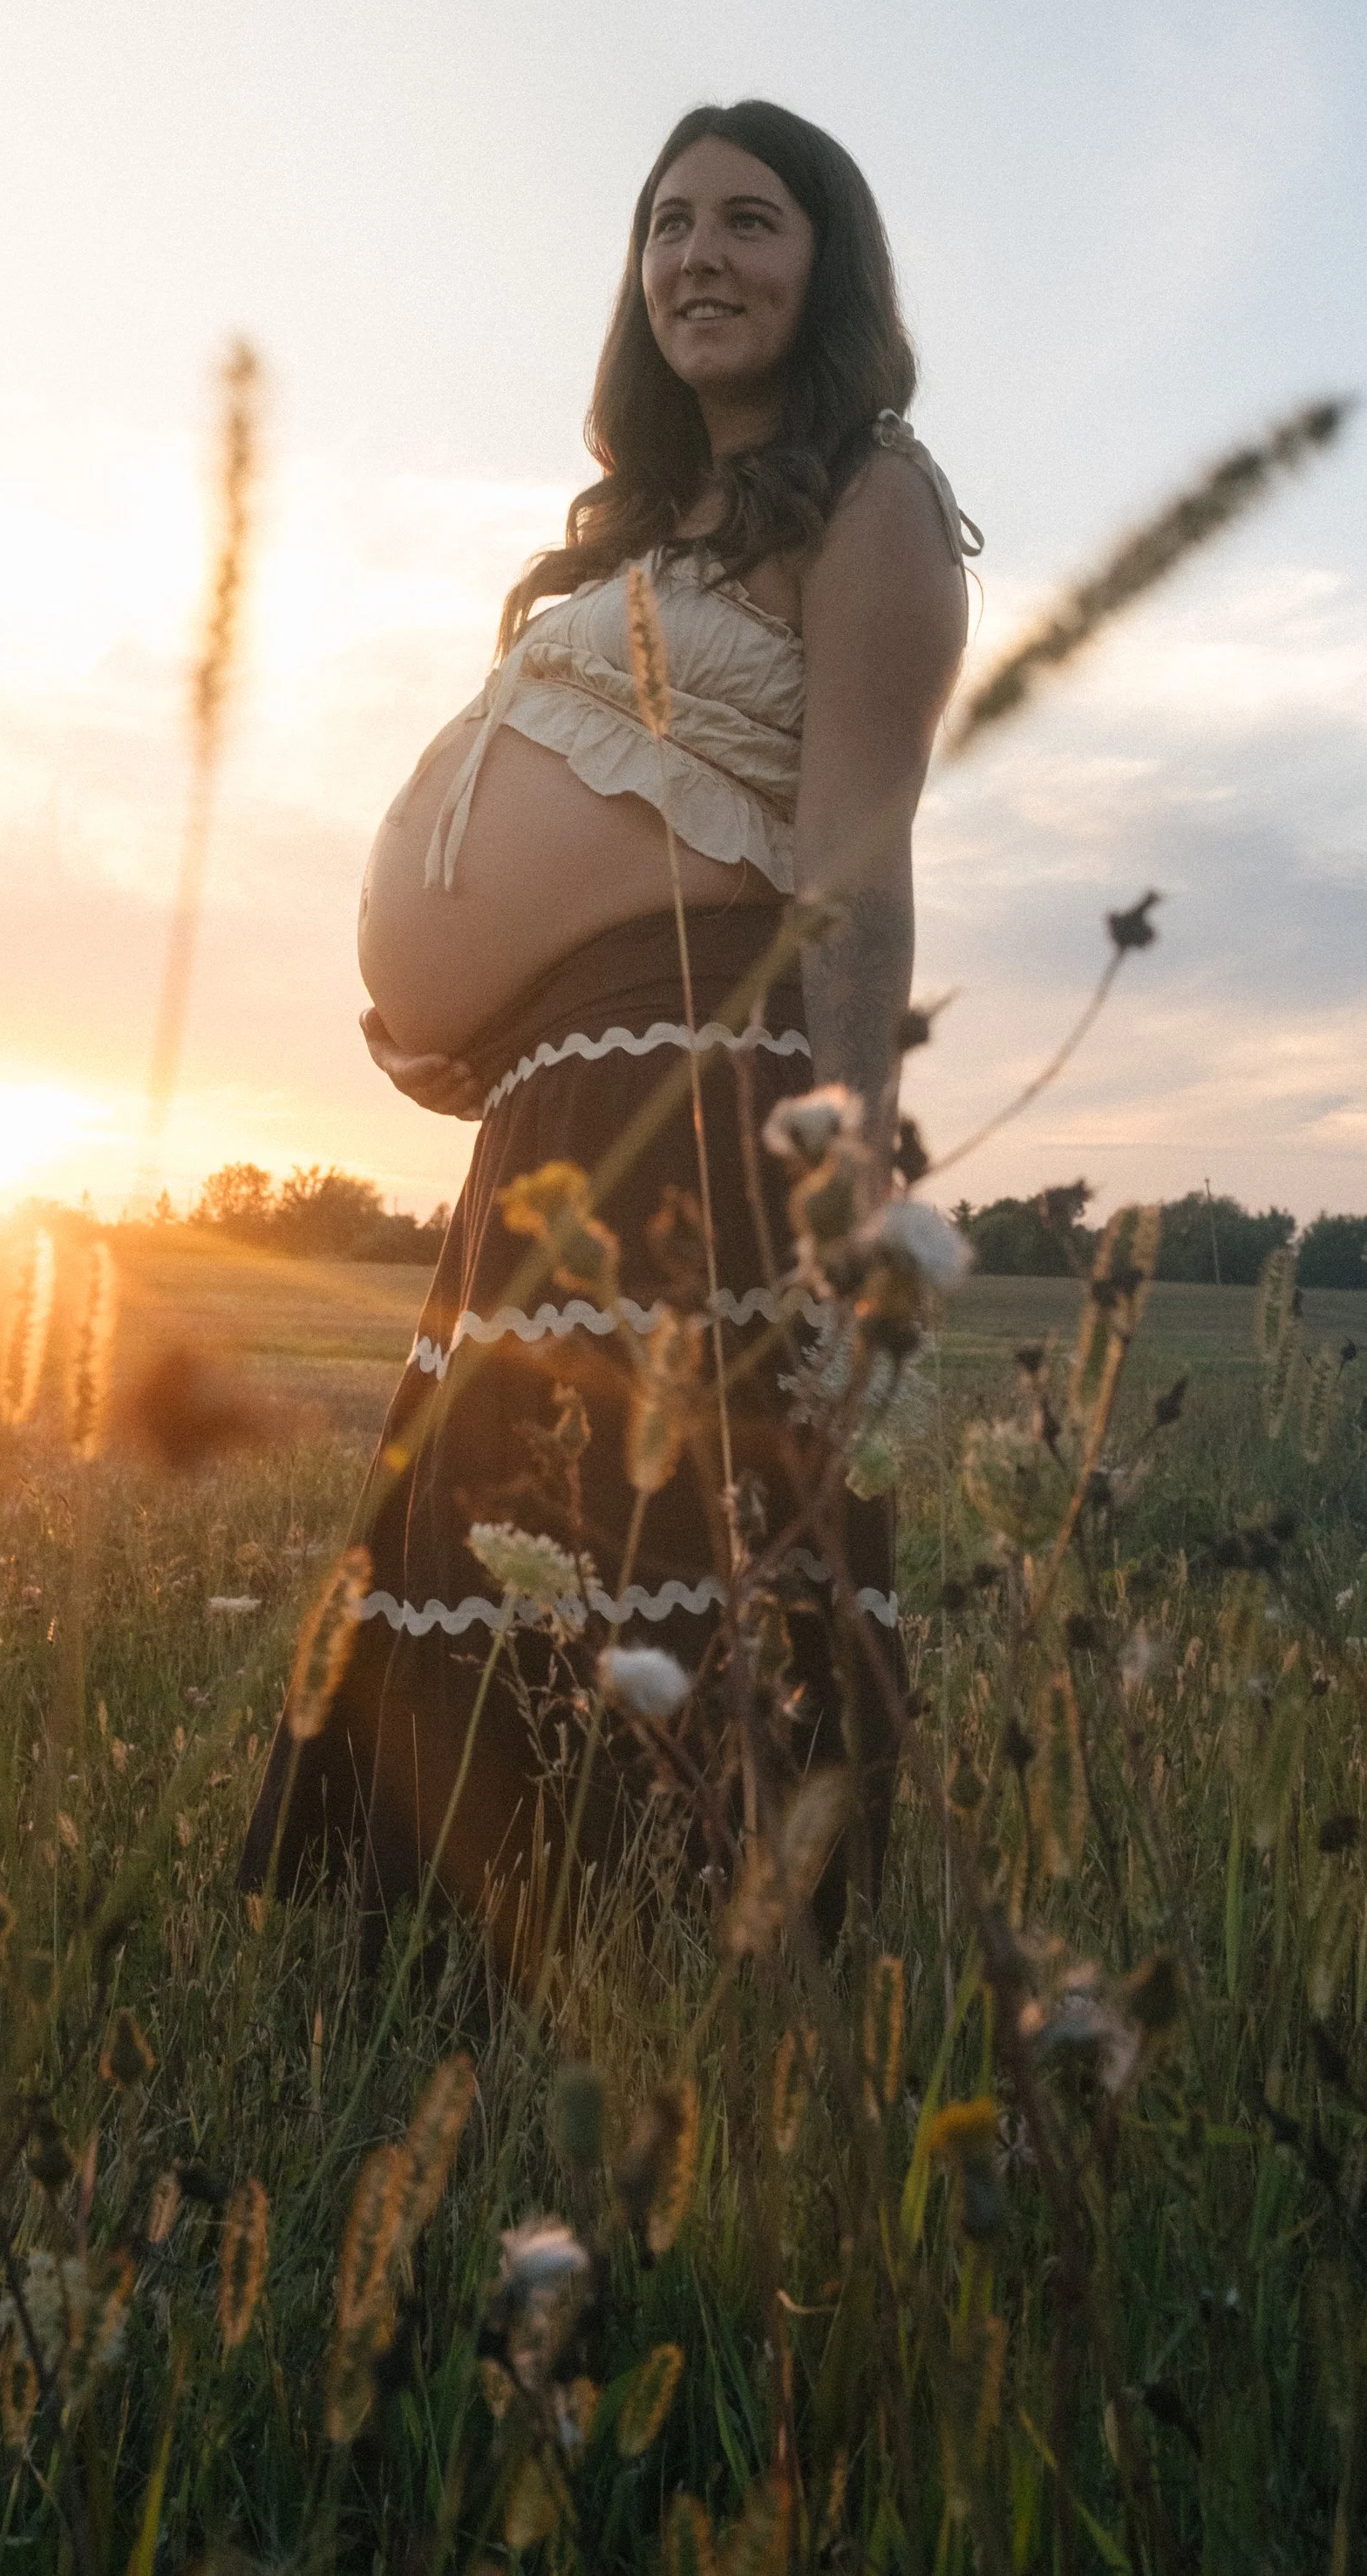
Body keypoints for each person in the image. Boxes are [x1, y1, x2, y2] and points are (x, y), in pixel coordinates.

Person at [240, 100, 979, 1979]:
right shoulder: (638, 537)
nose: (695, 260)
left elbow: (851, 872)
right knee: (499, 1527)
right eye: (664, 226)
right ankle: (471, 1953)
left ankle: (674, 1967)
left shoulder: (869, 498)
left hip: (697, 1087)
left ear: (826, 266)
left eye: (747, 222)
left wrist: (840, 1192)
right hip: (549, 1091)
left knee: (636, 1533)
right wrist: (468, 1005)